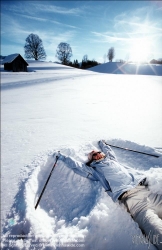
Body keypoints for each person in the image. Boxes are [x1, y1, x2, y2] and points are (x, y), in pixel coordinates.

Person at [56, 140, 162, 250]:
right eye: (94, 155)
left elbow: (108, 151)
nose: (97, 155)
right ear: (91, 160)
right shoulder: (95, 170)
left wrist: (103, 144)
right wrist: (63, 158)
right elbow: (78, 167)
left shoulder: (112, 160)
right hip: (134, 201)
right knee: (155, 229)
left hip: (147, 191)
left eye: (98, 153)